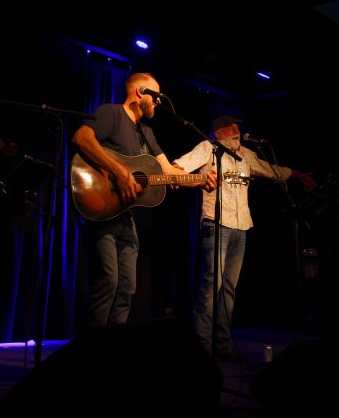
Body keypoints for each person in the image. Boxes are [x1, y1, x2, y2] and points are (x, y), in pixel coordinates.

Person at [71, 72, 215, 327]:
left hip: (126, 218)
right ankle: (92, 345)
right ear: (140, 92)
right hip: (102, 209)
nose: (158, 102)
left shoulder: (146, 132)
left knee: (127, 286)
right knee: (109, 280)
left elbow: (168, 173)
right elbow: (81, 138)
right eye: (155, 96)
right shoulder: (111, 113)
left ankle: (113, 344)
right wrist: (120, 173)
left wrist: (201, 180)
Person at [173, 116, 316, 360]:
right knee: (211, 286)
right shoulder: (208, 148)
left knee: (229, 288)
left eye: (237, 126)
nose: (236, 130)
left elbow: (272, 171)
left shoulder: (247, 155)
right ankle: (202, 346)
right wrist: (176, 175)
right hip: (216, 224)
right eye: (230, 127)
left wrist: (297, 174)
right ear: (218, 132)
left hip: (241, 227)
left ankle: (223, 344)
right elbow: (179, 166)